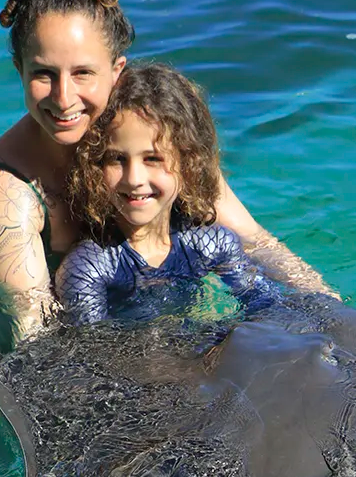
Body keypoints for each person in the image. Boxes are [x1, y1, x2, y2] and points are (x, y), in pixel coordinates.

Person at [0, 0, 335, 341]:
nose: (64, 97)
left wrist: (335, 313)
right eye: (44, 74)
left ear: (116, 71)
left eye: (84, 73)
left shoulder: (153, 131)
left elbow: (252, 239)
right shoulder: (6, 189)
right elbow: (32, 331)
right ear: (19, 69)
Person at [57, 63, 279, 324]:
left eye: (152, 159)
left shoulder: (212, 244)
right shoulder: (89, 267)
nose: (135, 179)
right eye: (117, 159)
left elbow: (268, 306)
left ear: (187, 163)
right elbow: (88, 349)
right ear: (95, 165)